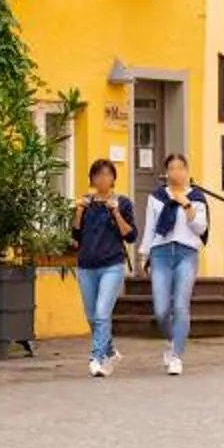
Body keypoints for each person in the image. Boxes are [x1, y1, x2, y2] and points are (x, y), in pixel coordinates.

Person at [141, 154, 213, 375]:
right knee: (161, 310)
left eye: (181, 168)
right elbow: (150, 227)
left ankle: (176, 356)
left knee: (181, 306)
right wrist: (145, 255)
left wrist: (187, 205)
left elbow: (201, 228)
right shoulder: (157, 197)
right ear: (166, 173)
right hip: (161, 253)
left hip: (186, 252)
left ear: (187, 171)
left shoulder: (197, 197)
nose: (177, 173)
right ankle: (173, 340)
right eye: (172, 169)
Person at [72, 160, 138, 378]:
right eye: (98, 175)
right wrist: (79, 212)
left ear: (113, 179)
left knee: (102, 313)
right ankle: (110, 351)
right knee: (92, 317)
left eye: (107, 175)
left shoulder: (123, 202)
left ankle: (96, 358)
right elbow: (75, 236)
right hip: (86, 265)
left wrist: (116, 213)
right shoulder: (86, 203)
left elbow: (130, 235)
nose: (102, 179)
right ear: (92, 179)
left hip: (112, 264)